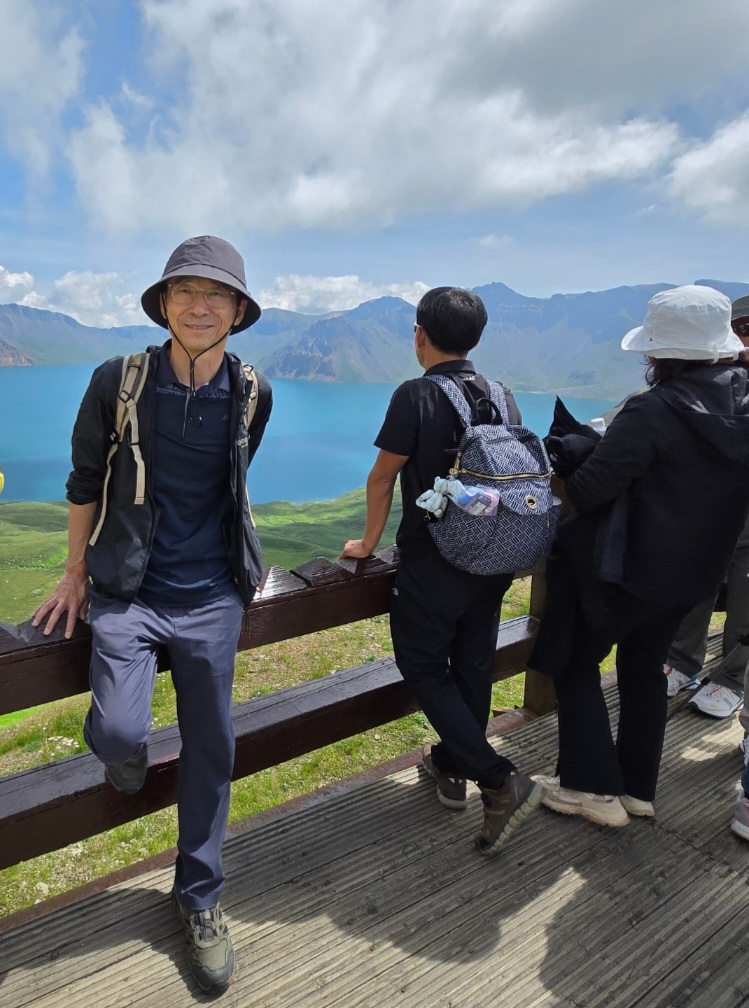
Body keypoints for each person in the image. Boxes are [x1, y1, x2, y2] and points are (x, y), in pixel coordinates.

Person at [32, 236, 272, 993]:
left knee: (214, 746)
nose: (200, 306)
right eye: (185, 292)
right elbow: (84, 481)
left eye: (216, 294)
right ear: (164, 304)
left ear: (237, 310)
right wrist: (75, 572)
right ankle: (126, 757)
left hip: (212, 596)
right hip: (127, 593)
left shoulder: (252, 392)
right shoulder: (118, 381)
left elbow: (233, 479)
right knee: (116, 733)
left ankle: (199, 896)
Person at [529, 285, 749, 826]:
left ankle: (592, 789)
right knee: (645, 667)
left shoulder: (653, 411)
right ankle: (636, 789)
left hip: (625, 573)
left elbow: (589, 492)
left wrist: (579, 454)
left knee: (575, 661)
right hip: (694, 576)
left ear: (661, 353)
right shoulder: (743, 405)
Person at [341, 286, 542, 855]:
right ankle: (452, 766)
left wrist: (368, 543)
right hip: (494, 557)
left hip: (434, 562)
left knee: (423, 666)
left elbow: (383, 476)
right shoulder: (503, 396)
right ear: (475, 338)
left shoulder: (416, 395)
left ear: (420, 336)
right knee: (473, 665)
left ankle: (499, 780)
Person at [663, 295, 749, 738]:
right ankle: (682, 662)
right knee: (696, 586)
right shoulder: (715, 381)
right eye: (740, 330)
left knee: (745, 600)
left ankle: (731, 678)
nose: (745, 340)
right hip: (710, 511)